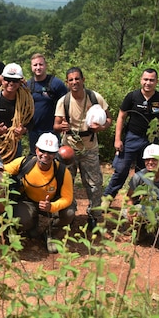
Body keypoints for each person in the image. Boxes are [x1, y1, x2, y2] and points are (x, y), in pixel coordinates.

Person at [53, 67, 112, 231]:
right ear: (67, 82)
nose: (74, 82)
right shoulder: (63, 101)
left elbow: (109, 119)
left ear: (83, 79)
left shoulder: (95, 97)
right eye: (71, 80)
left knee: (94, 184)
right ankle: (68, 214)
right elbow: (56, 125)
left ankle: (94, 216)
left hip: (89, 147)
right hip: (68, 147)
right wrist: (61, 126)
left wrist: (101, 127)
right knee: (66, 182)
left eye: (77, 79)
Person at [104, 68, 159, 200]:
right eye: (145, 79)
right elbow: (121, 117)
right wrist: (117, 139)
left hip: (151, 141)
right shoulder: (132, 96)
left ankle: (137, 202)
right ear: (141, 80)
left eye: (151, 80)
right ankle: (106, 200)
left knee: (145, 172)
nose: (148, 83)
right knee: (121, 170)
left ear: (156, 82)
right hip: (132, 138)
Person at [4, 133, 75, 254]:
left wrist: (51, 207)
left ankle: (50, 232)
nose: (45, 155)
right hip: (28, 201)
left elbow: (67, 198)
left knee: (69, 213)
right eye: (42, 150)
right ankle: (32, 225)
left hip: (51, 202)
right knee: (21, 219)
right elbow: (3, 170)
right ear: (36, 149)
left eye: (50, 152)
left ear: (55, 154)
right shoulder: (24, 163)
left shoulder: (62, 172)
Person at [27, 53, 68, 150]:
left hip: (52, 130)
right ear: (31, 67)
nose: (38, 67)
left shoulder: (56, 84)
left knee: (53, 158)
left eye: (41, 64)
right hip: (34, 131)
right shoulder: (27, 85)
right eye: (35, 65)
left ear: (46, 65)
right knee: (35, 158)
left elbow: (66, 104)